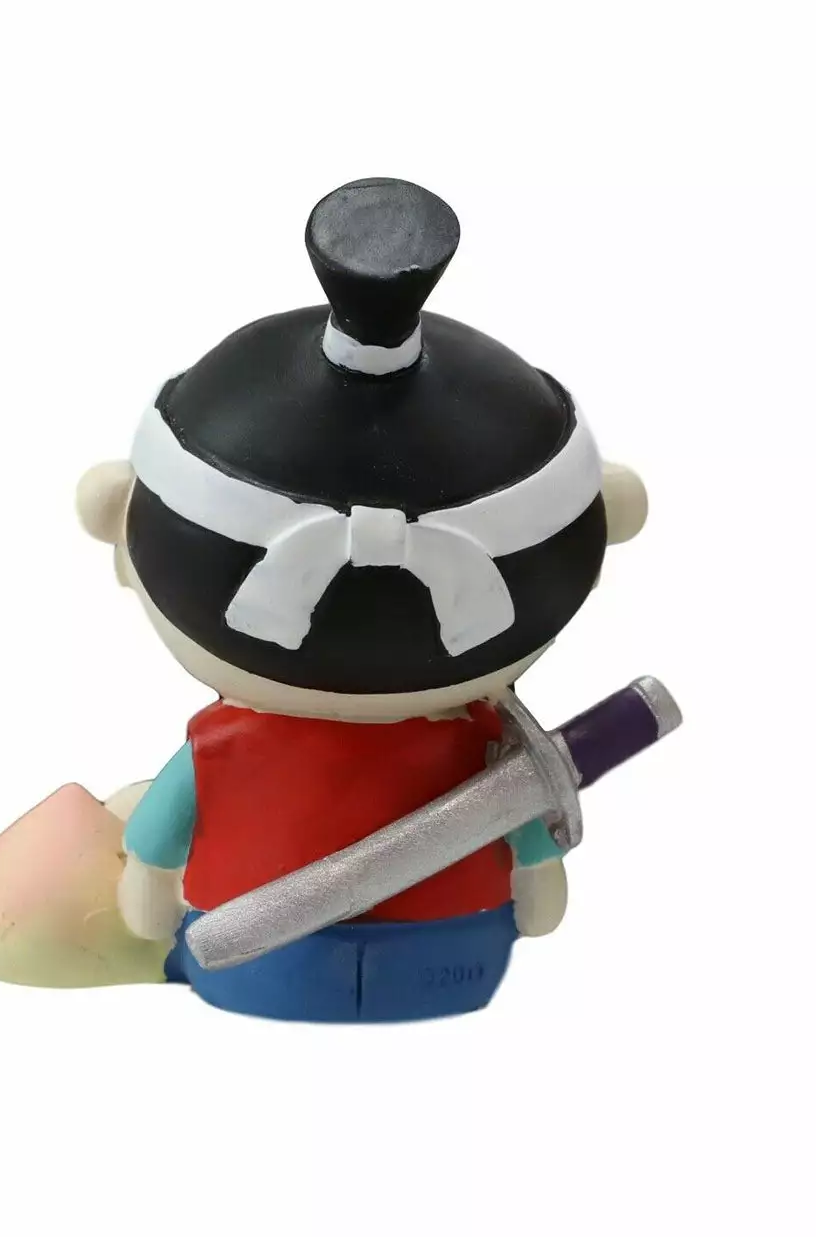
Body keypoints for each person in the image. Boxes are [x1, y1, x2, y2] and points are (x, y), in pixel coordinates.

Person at [76, 178, 648, 1021]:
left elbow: (156, 858)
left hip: (251, 959)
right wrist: (536, 878)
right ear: (608, 518)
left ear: (115, 516)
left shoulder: (221, 748)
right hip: (455, 950)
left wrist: (150, 891)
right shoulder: (483, 749)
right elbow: (533, 856)